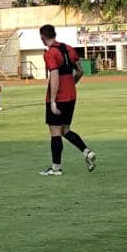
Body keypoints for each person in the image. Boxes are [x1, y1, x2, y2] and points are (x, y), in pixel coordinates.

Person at [39, 24, 96, 176]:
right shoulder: (68, 48)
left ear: (42, 37)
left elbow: (55, 75)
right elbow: (80, 71)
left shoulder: (50, 53)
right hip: (71, 95)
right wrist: (72, 83)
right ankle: (86, 152)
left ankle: (56, 168)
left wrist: (52, 101)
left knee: (55, 132)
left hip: (59, 96)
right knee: (65, 130)